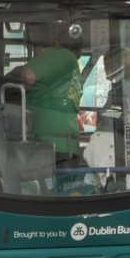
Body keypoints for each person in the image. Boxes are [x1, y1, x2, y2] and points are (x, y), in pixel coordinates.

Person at [14, 26, 85, 163]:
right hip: (67, 146)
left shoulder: (59, 53)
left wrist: (18, 93)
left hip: (46, 147)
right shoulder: (72, 67)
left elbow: (27, 76)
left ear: (56, 42)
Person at [98, 46, 130, 159]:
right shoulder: (118, 93)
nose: (105, 69)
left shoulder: (128, 95)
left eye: (109, 65)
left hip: (126, 163)